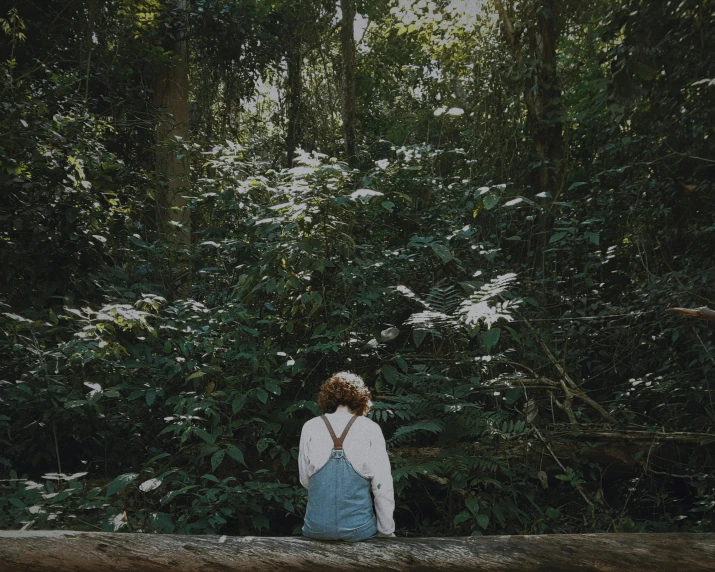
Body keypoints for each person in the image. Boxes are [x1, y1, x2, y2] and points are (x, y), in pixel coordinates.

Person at [299, 371, 396, 541]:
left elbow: (305, 481)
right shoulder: (370, 428)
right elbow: (382, 487)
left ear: (326, 398)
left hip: (316, 529)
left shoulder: (310, 426)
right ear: (361, 398)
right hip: (359, 530)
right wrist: (386, 531)